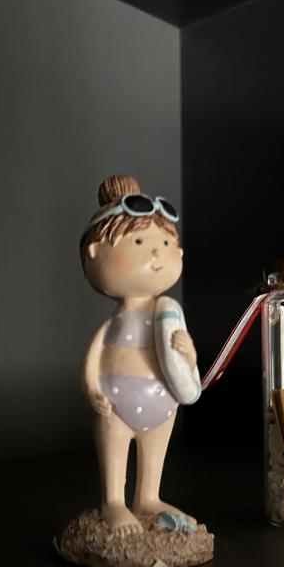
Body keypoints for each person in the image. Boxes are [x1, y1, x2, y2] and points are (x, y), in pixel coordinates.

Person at [79, 174, 198, 535]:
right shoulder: (112, 325)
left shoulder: (167, 315)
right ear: (95, 252)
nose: (157, 253)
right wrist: (92, 389)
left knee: (155, 450)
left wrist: (188, 353)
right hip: (115, 407)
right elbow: (93, 360)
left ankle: (149, 498)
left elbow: (186, 363)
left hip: (163, 405)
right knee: (114, 448)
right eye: (140, 241)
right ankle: (113, 502)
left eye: (166, 242)